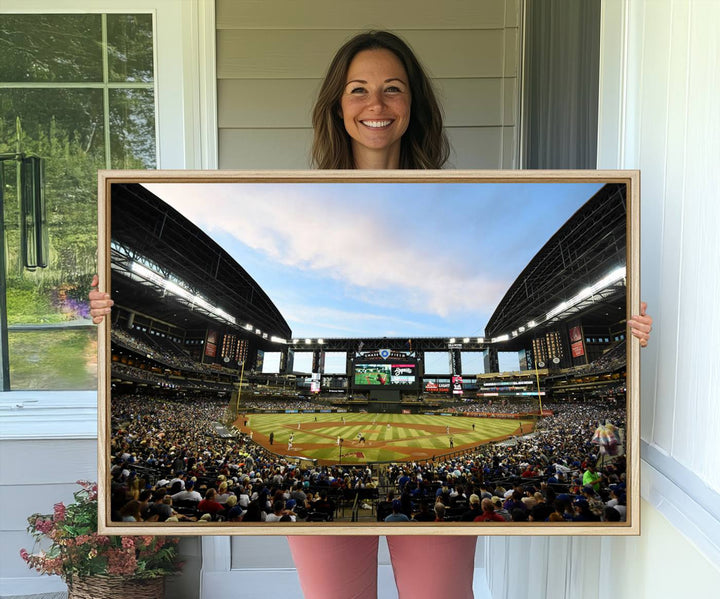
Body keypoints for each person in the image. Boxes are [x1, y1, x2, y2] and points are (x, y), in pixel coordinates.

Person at [90, 29, 653, 599]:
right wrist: (107, 308)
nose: (375, 105)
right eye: (358, 89)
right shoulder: (302, 203)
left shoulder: (451, 202)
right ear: (338, 104)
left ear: (413, 105)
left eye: (393, 89)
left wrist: (626, 334)